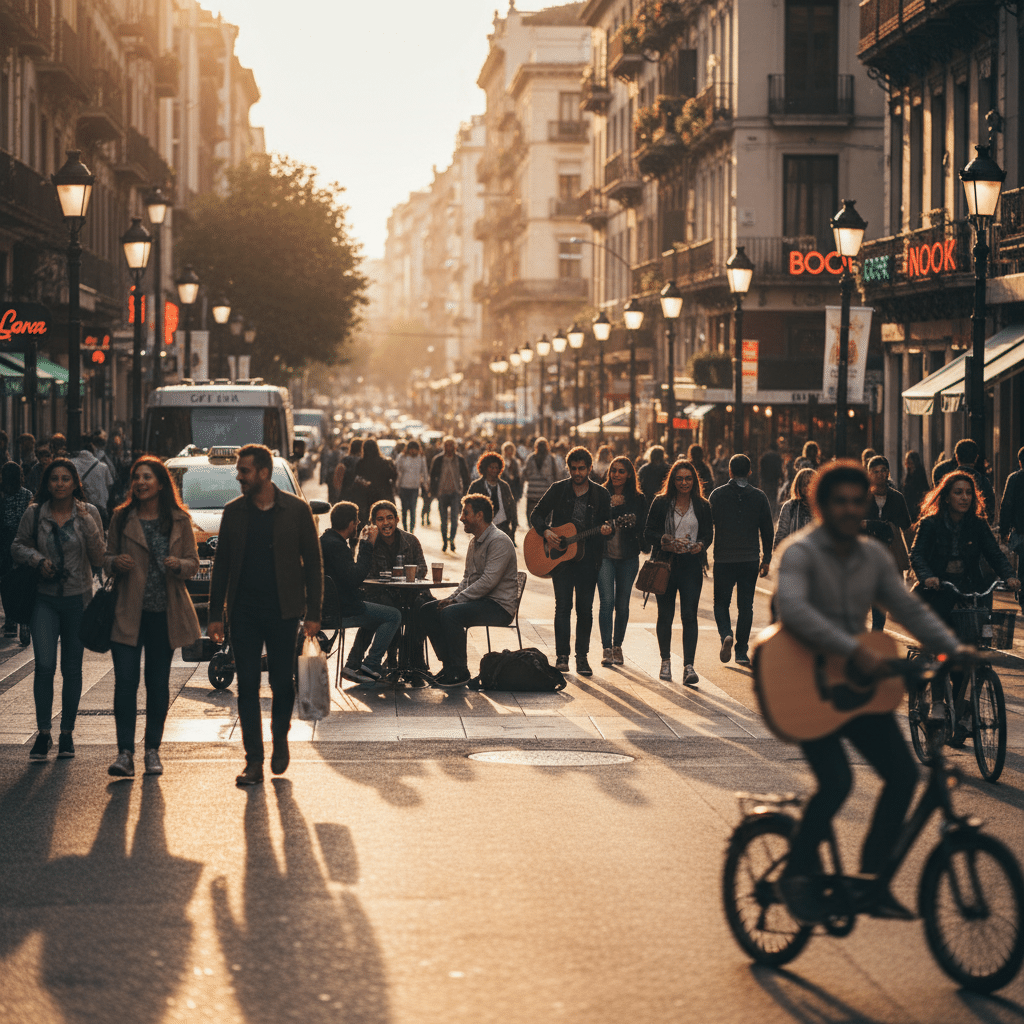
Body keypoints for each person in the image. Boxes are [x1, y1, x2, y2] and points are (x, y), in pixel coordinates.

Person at [774, 462, 964, 925]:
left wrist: (953, 648)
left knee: (902, 775)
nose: (849, 509)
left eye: (857, 501)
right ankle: (795, 876)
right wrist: (850, 649)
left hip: (853, 687)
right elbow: (794, 610)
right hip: (804, 685)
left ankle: (872, 880)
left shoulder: (872, 557)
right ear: (820, 504)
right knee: (838, 782)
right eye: (838, 500)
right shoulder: (799, 554)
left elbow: (907, 609)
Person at [207, 444, 323, 787]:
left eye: (244, 471)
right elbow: (222, 565)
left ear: (263, 473)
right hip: (243, 611)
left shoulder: (296, 510)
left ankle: (281, 737)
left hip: (283, 610)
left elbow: (313, 563)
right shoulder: (234, 512)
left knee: (281, 684)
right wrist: (215, 614)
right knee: (246, 687)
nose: (239, 477)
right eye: (239, 471)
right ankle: (253, 760)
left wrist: (314, 612)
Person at [104, 457, 202, 779]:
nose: (141, 482)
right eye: (136, 477)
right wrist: (115, 561)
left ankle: (152, 751)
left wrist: (179, 564)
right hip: (127, 611)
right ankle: (124, 753)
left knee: (157, 684)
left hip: (164, 613)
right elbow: (105, 557)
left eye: (147, 477)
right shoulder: (121, 517)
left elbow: (193, 562)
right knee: (126, 683)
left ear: (161, 483)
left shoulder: (178, 520)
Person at [12, 458, 105, 762]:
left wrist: (88, 523)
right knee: (45, 666)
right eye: (55, 478)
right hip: (44, 600)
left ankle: (66, 733)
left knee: (72, 669)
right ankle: (43, 734)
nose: (60, 484)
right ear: (47, 482)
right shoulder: (34, 513)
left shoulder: (88, 513)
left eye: (66, 478)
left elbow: (99, 555)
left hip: (78, 601)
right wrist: (38, 560)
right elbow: (17, 545)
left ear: (75, 483)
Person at [420, 494, 519, 688]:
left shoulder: (499, 541)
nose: (461, 517)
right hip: (479, 601)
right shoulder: (475, 541)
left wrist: (456, 602)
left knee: (451, 614)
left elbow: (488, 581)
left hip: (499, 606)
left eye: (466, 513)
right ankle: (449, 666)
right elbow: (467, 578)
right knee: (428, 610)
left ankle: (460, 671)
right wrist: (451, 598)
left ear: (479, 516)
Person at [530, 445, 612, 676]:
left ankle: (582, 658)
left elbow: (609, 525)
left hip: (589, 561)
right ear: (568, 468)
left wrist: (608, 530)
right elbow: (536, 514)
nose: (577, 473)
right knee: (562, 607)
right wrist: (546, 532)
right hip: (561, 561)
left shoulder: (601, 494)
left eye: (582, 469)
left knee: (585, 610)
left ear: (590, 468)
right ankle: (562, 657)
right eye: (573, 468)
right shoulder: (558, 489)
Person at [910, 470, 1019, 626]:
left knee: (981, 628)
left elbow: (994, 554)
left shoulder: (978, 524)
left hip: (970, 586)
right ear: (947, 497)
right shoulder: (930, 524)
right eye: (958, 492)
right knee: (940, 632)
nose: (964, 497)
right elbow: (917, 554)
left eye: (969, 493)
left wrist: (1009, 576)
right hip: (938, 587)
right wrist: (927, 576)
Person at [644, 458, 713, 685]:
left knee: (689, 615)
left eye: (688, 479)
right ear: (673, 481)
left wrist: (700, 546)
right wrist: (664, 539)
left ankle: (689, 667)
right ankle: (665, 661)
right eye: (680, 479)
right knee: (665, 615)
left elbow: (707, 534)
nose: (684, 483)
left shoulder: (702, 505)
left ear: (694, 481)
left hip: (691, 565)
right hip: (665, 563)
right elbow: (648, 532)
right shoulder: (661, 503)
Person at [342, 499, 428, 676]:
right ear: (374, 523)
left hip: (410, 595)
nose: (386, 523)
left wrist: (402, 575)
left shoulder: (411, 540)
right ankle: (359, 661)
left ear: (397, 519)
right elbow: (365, 574)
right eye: (380, 519)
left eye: (389, 518)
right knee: (385, 607)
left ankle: (412, 661)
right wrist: (368, 544)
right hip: (379, 594)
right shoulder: (369, 542)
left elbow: (422, 568)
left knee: (426, 607)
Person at [319, 501, 402, 686]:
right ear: (350, 524)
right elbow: (354, 578)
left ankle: (354, 664)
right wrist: (367, 545)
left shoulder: (325, 540)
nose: (358, 525)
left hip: (328, 607)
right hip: (338, 612)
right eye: (356, 522)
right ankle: (372, 664)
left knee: (377, 612)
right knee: (393, 615)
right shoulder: (337, 546)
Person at [708, 454, 773, 668]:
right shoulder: (759, 497)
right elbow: (767, 531)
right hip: (750, 558)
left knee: (721, 603)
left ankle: (726, 633)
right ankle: (742, 650)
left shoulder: (717, 495)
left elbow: (708, 527)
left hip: (724, 558)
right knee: (746, 606)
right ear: (750, 472)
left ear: (729, 472)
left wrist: (702, 553)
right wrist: (767, 558)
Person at [597, 456, 646, 666]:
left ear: (629, 475)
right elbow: (594, 521)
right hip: (604, 555)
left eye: (621, 471)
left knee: (623, 604)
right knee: (607, 602)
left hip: (628, 556)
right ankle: (606, 648)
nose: (616, 475)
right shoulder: (600, 494)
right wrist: (611, 507)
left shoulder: (638, 498)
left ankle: (618, 646)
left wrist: (618, 509)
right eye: (613, 470)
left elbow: (639, 524)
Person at [864, 455, 912, 632]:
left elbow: (907, 526)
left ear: (888, 473)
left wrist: (912, 556)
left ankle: (877, 634)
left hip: (889, 555)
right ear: (869, 474)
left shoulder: (897, 498)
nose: (879, 475)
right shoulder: (862, 497)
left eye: (883, 471)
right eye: (875, 471)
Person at [1, 462, 33, 643]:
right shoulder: (27, 495)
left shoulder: (3, 495)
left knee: (6, 584)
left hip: (6, 545)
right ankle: (23, 622)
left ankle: (12, 620)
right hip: (23, 542)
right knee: (21, 584)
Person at [931, 439, 996, 523]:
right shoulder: (984, 482)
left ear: (956, 457)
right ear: (976, 458)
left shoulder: (948, 481)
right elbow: (990, 510)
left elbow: (939, 507)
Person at [429, 436, 470, 554]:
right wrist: (433, 490)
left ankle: (451, 539)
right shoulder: (438, 459)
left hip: (455, 493)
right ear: (443, 446)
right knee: (443, 520)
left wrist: (466, 491)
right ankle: (444, 542)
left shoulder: (460, 460)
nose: (449, 448)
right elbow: (432, 476)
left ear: (455, 447)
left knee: (454, 519)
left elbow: (465, 476)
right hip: (442, 493)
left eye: (451, 445)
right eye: (446, 445)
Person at [468, 452, 517, 541]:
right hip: (483, 527)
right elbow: (468, 506)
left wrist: (513, 526)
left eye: (496, 468)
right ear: (485, 468)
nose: (494, 470)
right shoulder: (476, 485)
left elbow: (512, 506)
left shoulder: (504, 486)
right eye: (491, 467)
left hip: (503, 527)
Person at [70, 444, 114, 527]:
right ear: (93, 452)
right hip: (100, 507)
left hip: (77, 507)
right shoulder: (103, 466)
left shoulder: (71, 463)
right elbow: (110, 484)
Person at [352, 438, 397, 522]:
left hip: (367, 495)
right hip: (383, 494)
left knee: (370, 519)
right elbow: (392, 476)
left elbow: (357, 478)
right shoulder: (384, 462)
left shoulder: (361, 463)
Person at [773, 467, 816, 551]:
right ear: (799, 486)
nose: (808, 487)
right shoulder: (790, 507)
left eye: (811, 483)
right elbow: (781, 535)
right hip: (794, 557)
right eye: (805, 484)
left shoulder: (822, 507)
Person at [395, 439, 430, 533]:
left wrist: (426, 483)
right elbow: (397, 469)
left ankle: (412, 530)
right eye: (411, 449)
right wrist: (396, 484)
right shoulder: (402, 457)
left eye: (415, 449)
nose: (413, 451)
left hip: (415, 487)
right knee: (404, 509)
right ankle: (405, 529)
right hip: (403, 486)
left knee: (413, 509)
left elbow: (424, 471)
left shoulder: (421, 458)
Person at [523, 437, 557, 524]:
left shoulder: (530, 458)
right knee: (546, 519)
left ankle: (534, 534)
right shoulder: (551, 459)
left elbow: (525, 475)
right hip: (546, 493)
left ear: (536, 447)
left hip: (532, 493)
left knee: (531, 517)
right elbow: (556, 475)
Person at [638, 445, 670, 511]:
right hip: (664, 500)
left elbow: (638, 484)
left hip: (647, 500)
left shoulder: (644, 469)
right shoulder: (668, 469)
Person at [903, 449, 929, 522]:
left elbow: (923, 491)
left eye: (910, 462)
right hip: (909, 508)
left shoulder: (920, 475)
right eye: (907, 462)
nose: (908, 465)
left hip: (917, 508)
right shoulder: (908, 475)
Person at [758, 441, 783, 516]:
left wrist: (761, 479)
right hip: (774, 480)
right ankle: (772, 513)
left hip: (765, 480)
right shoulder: (777, 456)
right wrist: (781, 478)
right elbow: (779, 469)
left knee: (766, 496)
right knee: (773, 497)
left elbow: (761, 469)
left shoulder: (764, 456)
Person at [320, 435, 344, 505]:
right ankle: (333, 504)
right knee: (332, 492)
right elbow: (323, 465)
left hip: (333, 474)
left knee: (334, 492)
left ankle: (334, 504)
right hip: (330, 475)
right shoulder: (327, 451)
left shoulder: (335, 451)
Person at [501, 441, 523, 509]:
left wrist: (520, 492)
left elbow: (519, 477)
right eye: (508, 450)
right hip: (503, 489)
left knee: (513, 509)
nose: (509, 452)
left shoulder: (516, 462)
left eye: (511, 450)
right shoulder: (501, 461)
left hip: (514, 489)